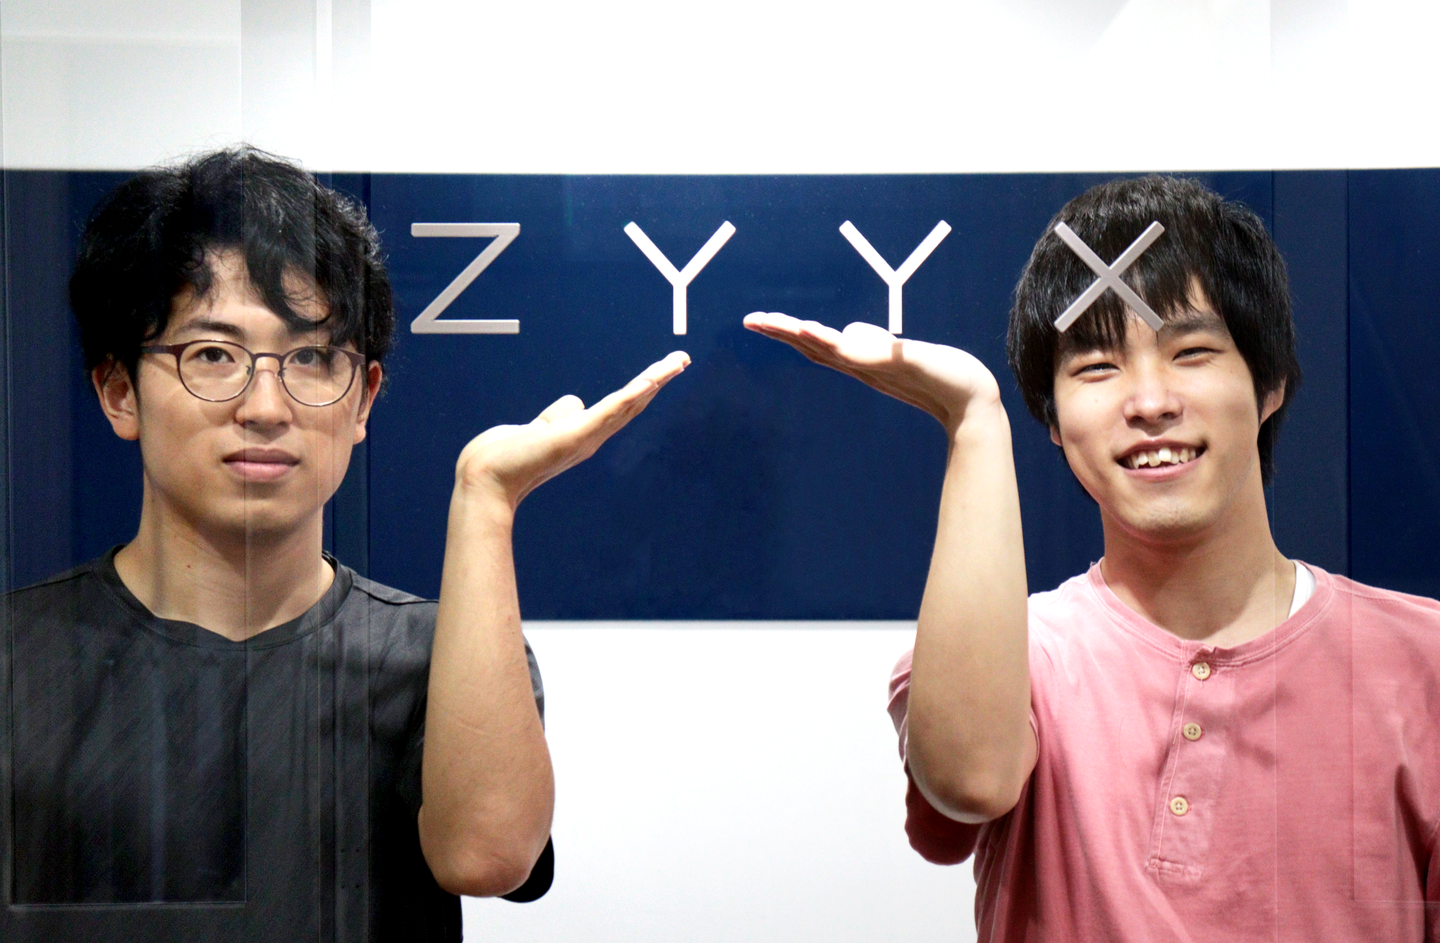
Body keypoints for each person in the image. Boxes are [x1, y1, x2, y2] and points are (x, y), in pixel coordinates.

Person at [3, 147, 688, 942]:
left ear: (362, 399)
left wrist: (486, 497)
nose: (266, 406)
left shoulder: (432, 655)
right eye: (213, 355)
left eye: (312, 357)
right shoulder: (19, 655)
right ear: (120, 390)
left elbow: (488, 857)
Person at [745, 175, 1440, 940]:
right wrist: (973, 416)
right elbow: (970, 781)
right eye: (1097, 366)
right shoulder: (1014, 657)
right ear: (1052, 417)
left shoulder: (1422, 661)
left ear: (1269, 382)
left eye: (1192, 352)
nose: (1150, 402)